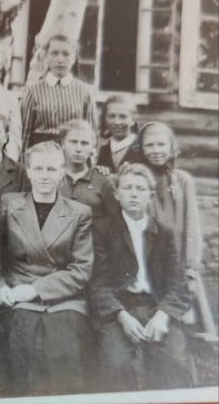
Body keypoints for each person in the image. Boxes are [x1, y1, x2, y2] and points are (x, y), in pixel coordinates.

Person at [0, 141, 94, 397]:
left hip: (63, 298)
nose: (44, 175)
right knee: (20, 345)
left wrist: (35, 290)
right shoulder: (9, 204)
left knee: (63, 348)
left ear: (62, 172)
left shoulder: (79, 213)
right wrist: (0, 288)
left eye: (51, 169)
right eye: (39, 168)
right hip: (16, 294)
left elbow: (81, 269)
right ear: (28, 171)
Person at [90, 163, 193, 391]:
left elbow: (178, 284)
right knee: (115, 363)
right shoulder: (103, 230)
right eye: (127, 188)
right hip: (119, 309)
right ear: (117, 194)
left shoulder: (164, 232)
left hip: (156, 306)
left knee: (174, 361)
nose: (134, 194)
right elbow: (99, 284)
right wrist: (122, 316)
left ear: (150, 196)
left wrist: (163, 316)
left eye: (140, 189)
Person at [137, 122, 203, 292]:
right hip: (149, 260)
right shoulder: (138, 179)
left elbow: (191, 225)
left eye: (161, 144)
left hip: (179, 259)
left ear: (171, 146)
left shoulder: (182, 180)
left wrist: (190, 266)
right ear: (141, 148)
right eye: (149, 145)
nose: (156, 150)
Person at [20, 34, 98, 154]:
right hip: (40, 155)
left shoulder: (84, 91)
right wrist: (22, 161)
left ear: (74, 58)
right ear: (46, 57)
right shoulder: (33, 90)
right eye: (54, 53)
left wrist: (91, 160)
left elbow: (92, 132)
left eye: (66, 54)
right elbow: (24, 132)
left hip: (73, 155)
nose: (60, 60)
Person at [58, 119, 118, 225]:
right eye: (73, 142)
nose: (78, 149)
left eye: (84, 143)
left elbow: (116, 219)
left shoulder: (103, 180)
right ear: (63, 144)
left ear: (92, 148)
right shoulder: (53, 177)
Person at [97, 94, 142, 173]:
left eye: (123, 116)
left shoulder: (142, 149)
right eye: (111, 116)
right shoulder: (100, 150)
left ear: (133, 119)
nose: (117, 122)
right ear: (105, 118)